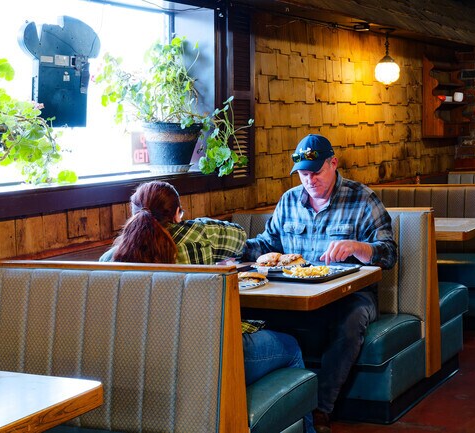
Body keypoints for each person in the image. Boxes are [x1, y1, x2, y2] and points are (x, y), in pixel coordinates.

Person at [100, 180, 316, 433]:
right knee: (291, 348)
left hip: (143, 367)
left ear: (133, 213)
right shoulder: (200, 235)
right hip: (208, 358)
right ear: (178, 213)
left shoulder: (109, 259)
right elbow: (240, 237)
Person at [242, 134, 398, 433]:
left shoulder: (362, 198)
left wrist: (357, 247)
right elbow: (266, 244)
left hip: (350, 295)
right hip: (295, 293)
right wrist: (233, 251)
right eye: (304, 173)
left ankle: (322, 409)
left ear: (333, 163)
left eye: (317, 171)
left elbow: (389, 254)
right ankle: (288, 408)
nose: (310, 180)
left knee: (351, 320)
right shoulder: (289, 201)